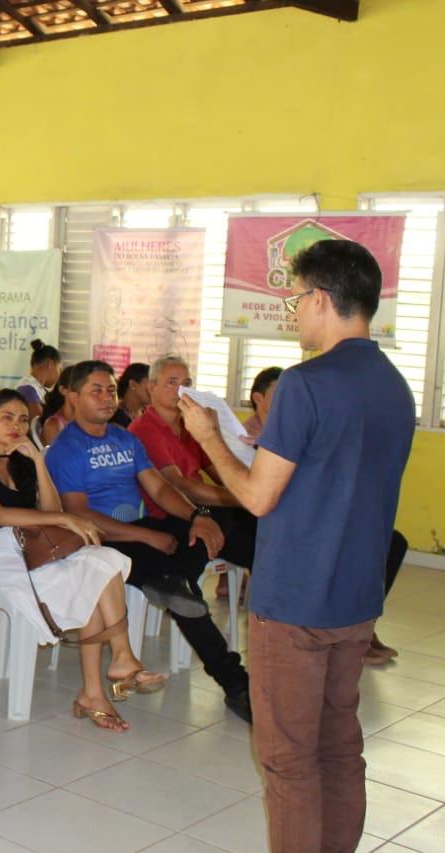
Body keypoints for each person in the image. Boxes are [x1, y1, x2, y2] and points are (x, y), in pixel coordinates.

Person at [178, 240, 415, 853]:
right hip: (356, 597)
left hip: (295, 600)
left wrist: (209, 438)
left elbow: (258, 497)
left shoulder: (306, 385)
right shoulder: (395, 384)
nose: (294, 311)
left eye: (296, 298)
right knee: (339, 744)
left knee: (287, 759)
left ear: (321, 297)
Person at [45, 360, 251, 722]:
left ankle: (176, 580)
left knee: (220, 518)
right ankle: (237, 685)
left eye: (111, 389)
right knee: (182, 590)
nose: (107, 397)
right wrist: (147, 535)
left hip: (142, 531)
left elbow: (158, 486)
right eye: (96, 390)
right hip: (101, 543)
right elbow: (81, 516)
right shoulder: (66, 449)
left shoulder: (125, 438)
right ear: (73, 397)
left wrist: (196, 517)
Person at [0, 389, 166, 731]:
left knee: (103, 560)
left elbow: (52, 512)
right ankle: (95, 690)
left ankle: (121, 659)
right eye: (6, 417)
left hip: (36, 546)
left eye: (23, 419)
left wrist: (39, 462)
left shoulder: (23, 461)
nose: (16, 426)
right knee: (90, 583)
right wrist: (67, 520)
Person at [241, 363, 405, 662]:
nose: (284, 402)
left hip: (298, 509)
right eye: (277, 395)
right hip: (267, 514)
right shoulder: (248, 432)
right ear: (258, 399)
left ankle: (364, 626)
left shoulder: (301, 416)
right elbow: (258, 491)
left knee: (390, 541)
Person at [128, 356, 258, 573]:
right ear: (152, 387)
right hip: (172, 512)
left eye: (186, 384)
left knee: (261, 525)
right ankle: (181, 585)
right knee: (231, 520)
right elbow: (179, 485)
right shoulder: (144, 429)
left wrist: (246, 488)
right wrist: (241, 497)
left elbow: (219, 470)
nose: (180, 390)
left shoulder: (190, 426)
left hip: (205, 508)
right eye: (172, 382)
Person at [15, 339, 61, 420]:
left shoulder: (36, 388)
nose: (59, 374)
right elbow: (36, 422)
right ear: (50, 364)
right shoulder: (27, 388)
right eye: (59, 369)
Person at [241, 366, 283, 441]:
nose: (286, 399)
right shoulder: (245, 436)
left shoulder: (291, 429)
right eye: (279, 394)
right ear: (258, 398)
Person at [38, 366, 74, 447]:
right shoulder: (54, 425)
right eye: (77, 388)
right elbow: (59, 458)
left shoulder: (80, 421)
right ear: (63, 390)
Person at [110, 362, 151, 429]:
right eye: (150, 383)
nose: (154, 389)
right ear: (133, 384)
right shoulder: (115, 418)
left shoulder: (148, 414)